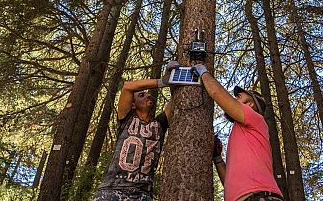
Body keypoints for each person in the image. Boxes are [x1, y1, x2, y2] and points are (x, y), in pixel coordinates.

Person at [192, 64, 284, 201]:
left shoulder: (256, 118)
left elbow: (217, 93)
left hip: (260, 196)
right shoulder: (243, 133)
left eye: (239, 97)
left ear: (250, 104)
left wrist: (203, 72)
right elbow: (230, 184)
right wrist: (218, 158)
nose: (234, 99)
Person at [91, 61, 180, 201]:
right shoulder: (126, 119)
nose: (148, 96)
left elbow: (177, 97)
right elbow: (127, 87)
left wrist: (175, 76)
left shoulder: (159, 124)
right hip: (112, 190)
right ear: (132, 105)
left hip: (143, 194)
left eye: (148, 95)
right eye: (141, 95)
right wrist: (162, 82)